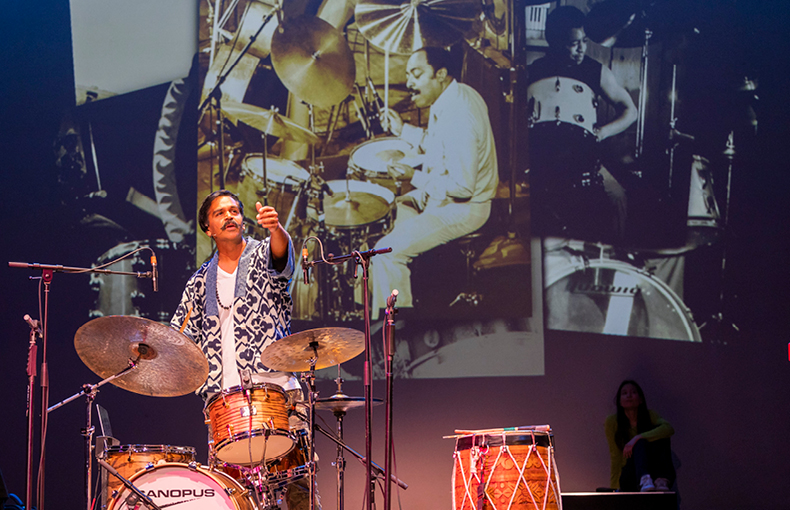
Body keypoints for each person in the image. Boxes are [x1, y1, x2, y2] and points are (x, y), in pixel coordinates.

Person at [171, 190, 319, 509]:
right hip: (225, 404)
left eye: (235, 211)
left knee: (297, 492)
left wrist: (276, 229)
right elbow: (178, 337)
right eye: (220, 213)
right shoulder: (198, 282)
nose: (229, 216)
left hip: (278, 393)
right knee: (233, 498)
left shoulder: (262, 255)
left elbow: (282, 256)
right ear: (208, 228)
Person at [372, 46, 499, 318]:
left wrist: (413, 176)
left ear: (440, 74)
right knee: (402, 203)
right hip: (449, 195)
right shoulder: (457, 94)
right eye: (408, 75)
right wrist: (402, 130)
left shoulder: (457, 116)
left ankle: (398, 326)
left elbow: (462, 187)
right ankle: (412, 277)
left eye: (417, 75)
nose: (409, 84)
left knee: (382, 253)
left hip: (465, 208)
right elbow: (442, 146)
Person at [528, 5, 637, 242]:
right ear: (555, 42)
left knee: (617, 196)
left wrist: (603, 132)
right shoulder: (534, 72)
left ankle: (613, 255)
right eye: (572, 43)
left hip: (586, 160)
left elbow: (631, 111)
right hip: (547, 162)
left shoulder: (596, 71)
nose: (581, 49)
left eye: (584, 41)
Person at [605, 380, 676, 492]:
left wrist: (637, 437)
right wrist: (615, 487)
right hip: (630, 472)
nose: (629, 395)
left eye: (633, 392)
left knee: (662, 436)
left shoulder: (650, 415)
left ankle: (661, 480)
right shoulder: (612, 422)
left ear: (640, 399)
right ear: (619, 401)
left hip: (653, 468)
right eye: (624, 393)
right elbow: (615, 456)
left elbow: (669, 429)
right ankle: (644, 479)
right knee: (640, 444)